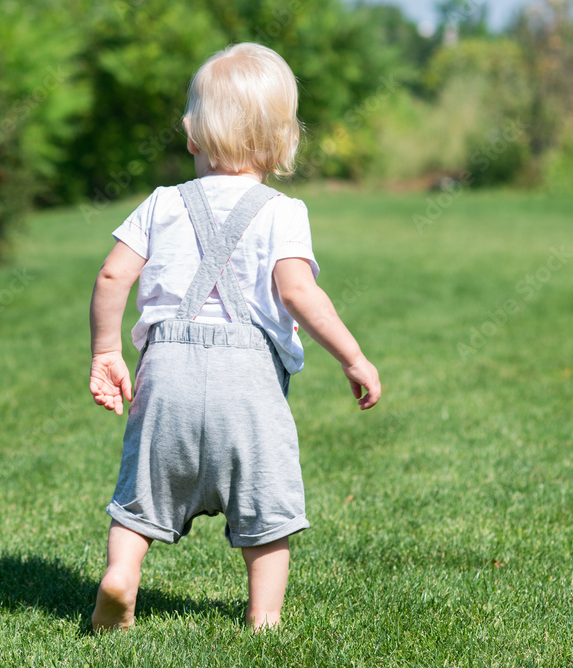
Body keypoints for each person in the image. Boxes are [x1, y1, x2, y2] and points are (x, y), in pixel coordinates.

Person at [87, 42, 380, 634]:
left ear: (192, 135)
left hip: (164, 377)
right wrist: (353, 356)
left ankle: (122, 576)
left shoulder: (161, 203)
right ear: (283, 141)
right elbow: (300, 294)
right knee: (267, 510)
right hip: (248, 392)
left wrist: (105, 353)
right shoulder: (282, 211)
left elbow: (113, 274)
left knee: (142, 497)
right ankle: (264, 616)